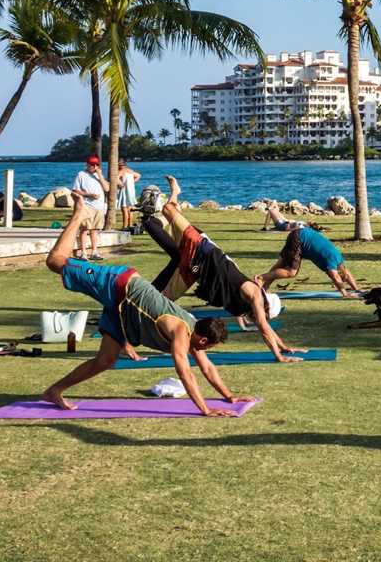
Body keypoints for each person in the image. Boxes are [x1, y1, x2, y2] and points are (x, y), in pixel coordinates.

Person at [40, 195, 253, 415]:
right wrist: (205, 409)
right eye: (207, 347)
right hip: (119, 283)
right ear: (203, 339)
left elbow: (207, 367)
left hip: (123, 310)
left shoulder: (194, 331)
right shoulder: (182, 331)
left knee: (105, 360)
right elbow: (185, 373)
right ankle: (79, 215)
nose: (204, 352)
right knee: (55, 262)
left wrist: (229, 396)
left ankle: (54, 391)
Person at [143, 176, 303, 362]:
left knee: (163, 301)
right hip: (200, 248)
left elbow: (264, 327)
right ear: (266, 307)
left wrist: (283, 347)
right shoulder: (255, 295)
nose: (262, 318)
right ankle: (176, 193)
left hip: (194, 269)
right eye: (266, 315)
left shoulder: (246, 306)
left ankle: (143, 330)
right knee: (168, 209)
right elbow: (264, 328)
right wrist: (279, 356)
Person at [258, 223, 362, 297]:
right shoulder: (332, 263)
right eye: (342, 279)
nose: (342, 280)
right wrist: (345, 293)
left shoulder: (339, 259)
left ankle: (263, 288)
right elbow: (335, 277)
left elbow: (346, 275)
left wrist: (357, 289)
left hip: (300, 235)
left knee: (279, 265)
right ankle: (261, 278)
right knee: (291, 272)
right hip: (299, 239)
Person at [71, 155, 110, 260]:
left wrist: (100, 175)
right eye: (92, 165)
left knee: (95, 230)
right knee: (84, 229)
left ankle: (94, 252)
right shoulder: (81, 174)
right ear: (87, 164)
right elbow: (75, 190)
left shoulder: (99, 175)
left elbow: (107, 188)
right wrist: (89, 195)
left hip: (99, 207)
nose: (94, 167)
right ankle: (83, 252)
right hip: (87, 205)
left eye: (96, 165)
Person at [115, 160, 141, 230]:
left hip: (124, 191)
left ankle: (125, 227)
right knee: (130, 210)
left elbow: (116, 178)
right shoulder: (130, 171)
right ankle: (130, 225)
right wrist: (132, 182)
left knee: (124, 209)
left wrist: (121, 184)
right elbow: (138, 175)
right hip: (131, 191)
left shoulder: (120, 171)